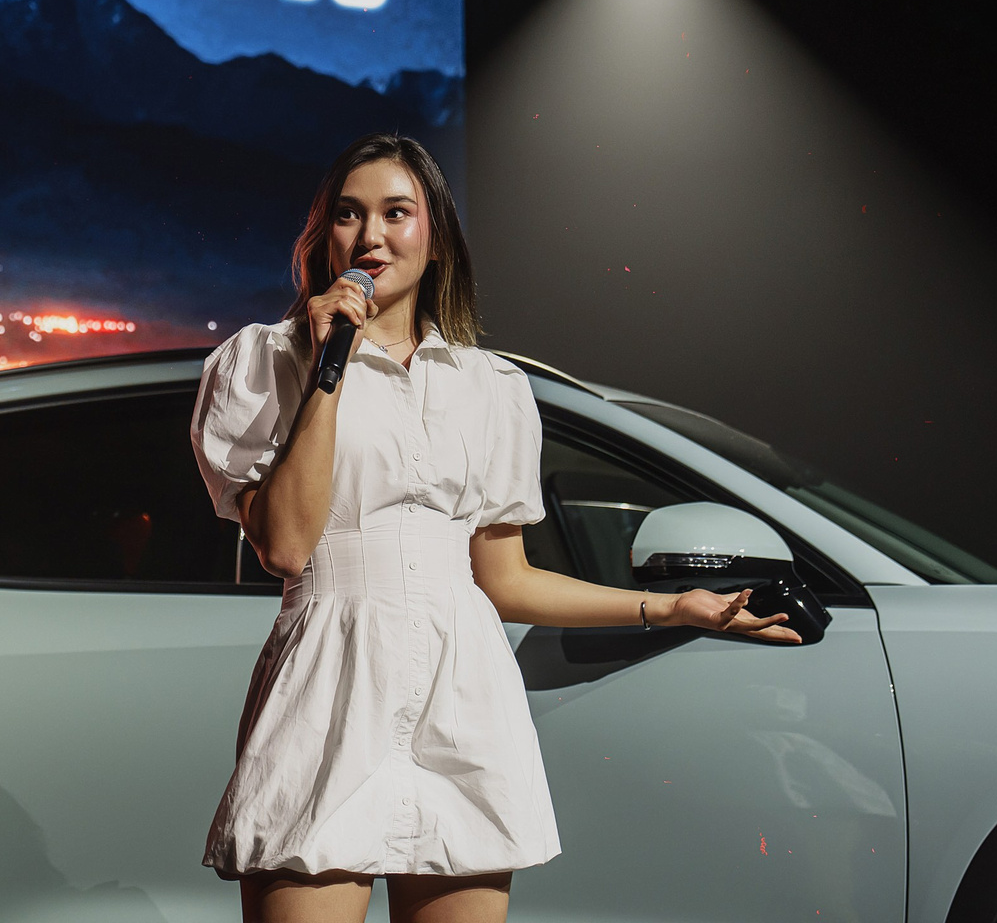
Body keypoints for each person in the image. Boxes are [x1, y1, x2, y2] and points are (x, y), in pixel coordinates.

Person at [192, 133, 798, 923]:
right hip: (326, 690)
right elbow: (285, 545)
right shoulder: (266, 361)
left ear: (436, 238)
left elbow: (505, 580)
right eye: (348, 214)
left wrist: (670, 607)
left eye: (396, 213)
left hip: (462, 692)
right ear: (323, 237)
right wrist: (323, 366)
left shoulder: (491, 386)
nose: (371, 235)